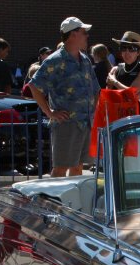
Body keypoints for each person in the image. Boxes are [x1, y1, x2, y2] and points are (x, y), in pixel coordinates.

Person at [28, 17, 100, 177]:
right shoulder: (55, 60)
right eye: (83, 32)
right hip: (66, 124)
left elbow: (96, 89)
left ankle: (73, 202)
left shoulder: (85, 60)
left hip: (85, 123)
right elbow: (34, 86)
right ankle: (52, 201)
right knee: (60, 169)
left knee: (78, 168)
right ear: (73, 34)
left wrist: (93, 112)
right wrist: (50, 112)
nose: (87, 36)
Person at [107, 31, 140, 112]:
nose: (127, 52)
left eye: (131, 49)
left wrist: (114, 81)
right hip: (119, 117)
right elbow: (108, 96)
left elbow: (130, 93)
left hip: (138, 118)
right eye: (123, 48)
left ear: (138, 52)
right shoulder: (116, 69)